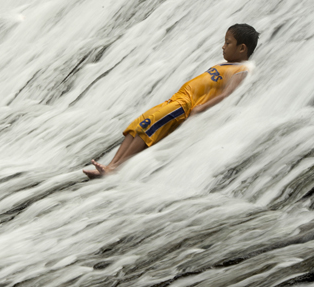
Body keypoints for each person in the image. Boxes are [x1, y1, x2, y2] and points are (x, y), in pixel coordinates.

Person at [83, 24, 259, 178]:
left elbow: (227, 93)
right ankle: (109, 166)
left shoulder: (242, 69)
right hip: (176, 99)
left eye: (228, 43)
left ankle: (115, 168)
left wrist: (203, 108)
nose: (223, 46)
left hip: (184, 105)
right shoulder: (226, 64)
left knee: (147, 129)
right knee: (137, 126)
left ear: (242, 48)